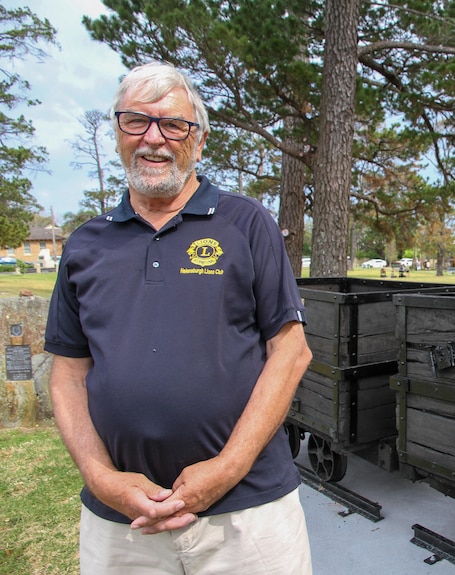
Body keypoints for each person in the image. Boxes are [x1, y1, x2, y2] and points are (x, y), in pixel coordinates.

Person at [44, 61, 314, 574]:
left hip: (246, 514)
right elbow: (68, 372)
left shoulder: (246, 223)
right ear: (117, 132)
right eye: (136, 122)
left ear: (200, 139)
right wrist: (101, 478)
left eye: (174, 124)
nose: (154, 139)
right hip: (122, 525)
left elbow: (291, 351)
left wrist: (227, 469)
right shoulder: (85, 244)